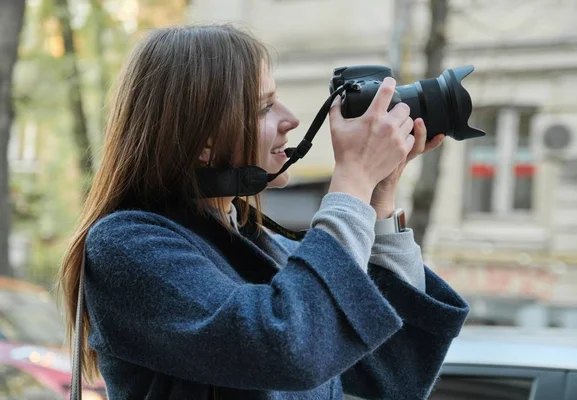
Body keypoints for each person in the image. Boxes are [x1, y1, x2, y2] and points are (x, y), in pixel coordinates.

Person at [58, 24, 469, 400]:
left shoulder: (263, 247)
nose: (290, 120)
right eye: (264, 107)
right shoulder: (128, 247)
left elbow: (391, 378)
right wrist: (351, 182)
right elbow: (290, 346)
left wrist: (378, 195)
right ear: (203, 142)